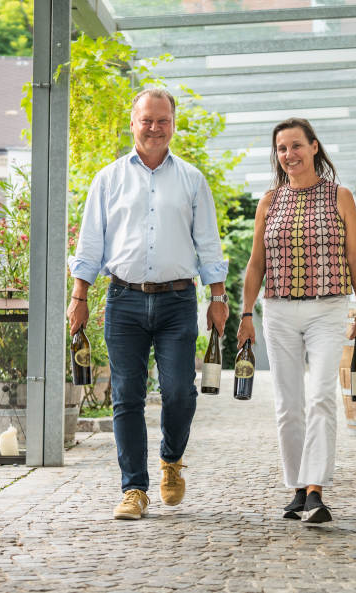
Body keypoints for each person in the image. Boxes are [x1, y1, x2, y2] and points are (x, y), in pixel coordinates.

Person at [67, 88, 229, 520]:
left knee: (179, 391)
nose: (155, 128)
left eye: (163, 120)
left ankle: (171, 460)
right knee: (126, 396)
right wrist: (79, 296)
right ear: (132, 122)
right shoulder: (108, 179)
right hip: (123, 300)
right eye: (147, 120)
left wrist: (218, 297)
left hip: (178, 300)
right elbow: (90, 245)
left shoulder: (192, 180)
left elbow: (209, 245)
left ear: (173, 124)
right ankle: (134, 489)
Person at [236, 117, 356, 524]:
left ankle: (316, 491)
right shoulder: (269, 202)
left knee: (321, 397)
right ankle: (297, 488)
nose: (289, 155)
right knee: (287, 404)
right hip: (277, 310)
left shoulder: (339, 196)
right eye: (281, 149)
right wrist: (246, 313)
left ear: (314, 147)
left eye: (296, 146)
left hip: (328, 307)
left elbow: (355, 256)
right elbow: (256, 262)